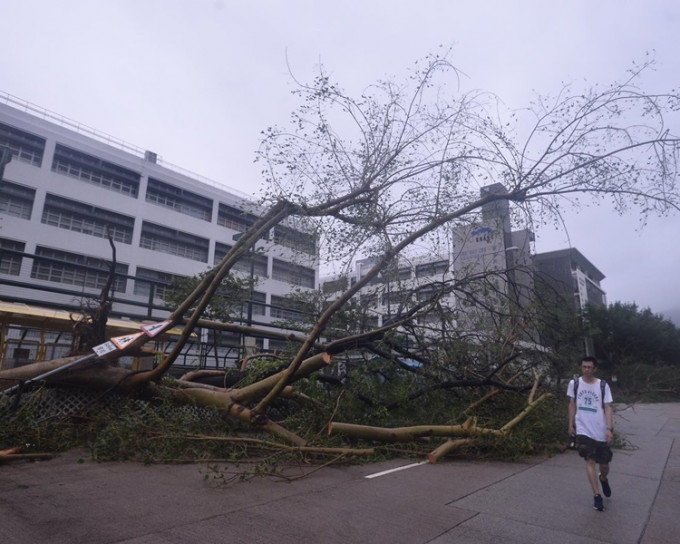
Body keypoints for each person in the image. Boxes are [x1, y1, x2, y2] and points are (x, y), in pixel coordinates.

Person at [567, 356, 614, 511]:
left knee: (604, 464)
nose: (587, 370)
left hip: (600, 430)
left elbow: (607, 407)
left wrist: (609, 428)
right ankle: (597, 496)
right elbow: (572, 405)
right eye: (584, 367)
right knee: (590, 461)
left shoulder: (602, 385)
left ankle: (603, 478)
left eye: (589, 367)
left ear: (594, 369)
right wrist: (571, 425)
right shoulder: (574, 384)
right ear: (581, 368)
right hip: (583, 429)